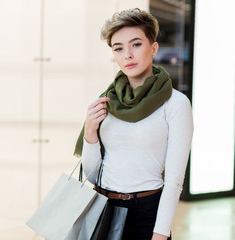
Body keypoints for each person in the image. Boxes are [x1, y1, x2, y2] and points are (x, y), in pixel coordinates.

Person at [74, 8, 193, 240]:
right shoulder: (106, 99)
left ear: (154, 48)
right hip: (102, 209)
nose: (127, 54)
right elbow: (92, 175)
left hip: (146, 214)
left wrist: (159, 234)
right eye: (118, 48)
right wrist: (90, 133)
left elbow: (174, 181)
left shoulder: (176, 104)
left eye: (136, 44)